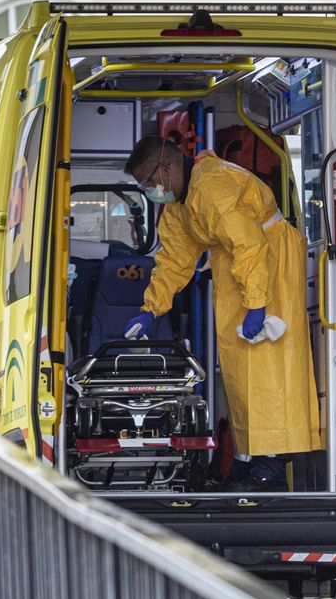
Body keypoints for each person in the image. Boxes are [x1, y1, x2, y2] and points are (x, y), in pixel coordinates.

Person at [122, 134, 320, 488]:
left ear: (165, 167)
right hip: (237, 273)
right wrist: (151, 309)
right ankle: (249, 455)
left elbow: (249, 244)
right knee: (241, 372)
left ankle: (272, 461)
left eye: (149, 181)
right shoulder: (182, 204)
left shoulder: (213, 187)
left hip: (266, 266)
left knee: (269, 369)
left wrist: (258, 303)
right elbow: (173, 261)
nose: (150, 190)